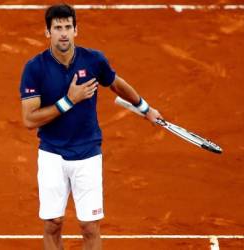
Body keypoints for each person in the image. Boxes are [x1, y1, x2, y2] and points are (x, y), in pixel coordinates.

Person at [20, 3, 163, 250]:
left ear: (76, 30)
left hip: (88, 154)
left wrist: (145, 109)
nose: (63, 33)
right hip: (52, 155)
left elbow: (116, 84)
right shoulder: (34, 68)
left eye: (68, 27)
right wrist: (69, 101)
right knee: (53, 223)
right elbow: (29, 120)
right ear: (47, 33)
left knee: (90, 227)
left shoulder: (94, 60)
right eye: (57, 28)